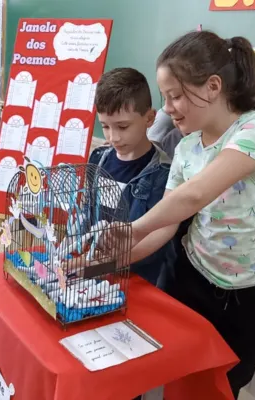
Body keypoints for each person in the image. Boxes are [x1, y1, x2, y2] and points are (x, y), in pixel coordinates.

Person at [107, 31, 255, 399]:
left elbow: (194, 195)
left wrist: (130, 229)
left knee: (219, 386)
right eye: (165, 98)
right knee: (179, 374)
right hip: (193, 277)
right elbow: (168, 224)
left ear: (212, 87)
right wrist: (113, 259)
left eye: (175, 96)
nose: (167, 109)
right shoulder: (188, 147)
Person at [88, 67, 175, 288]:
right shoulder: (98, 159)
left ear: (149, 118)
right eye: (105, 126)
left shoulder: (163, 173)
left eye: (123, 126)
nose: (113, 137)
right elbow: (88, 216)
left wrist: (105, 264)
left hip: (135, 281)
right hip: (93, 273)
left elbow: (156, 244)